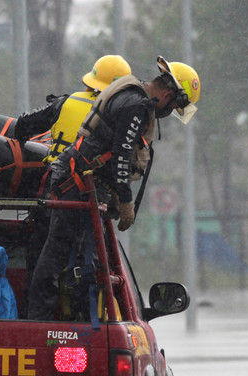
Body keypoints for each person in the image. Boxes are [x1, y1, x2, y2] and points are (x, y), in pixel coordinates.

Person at [26, 55, 200, 321]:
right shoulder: (136, 106)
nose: (170, 111)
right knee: (57, 253)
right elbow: (121, 154)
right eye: (175, 105)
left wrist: (115, 194)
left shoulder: (133, 98)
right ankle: (41, 319)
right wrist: (125, 201)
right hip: (74, 183)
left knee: (84, 254)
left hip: (81, 183)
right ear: (167, 94)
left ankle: (78, 315)